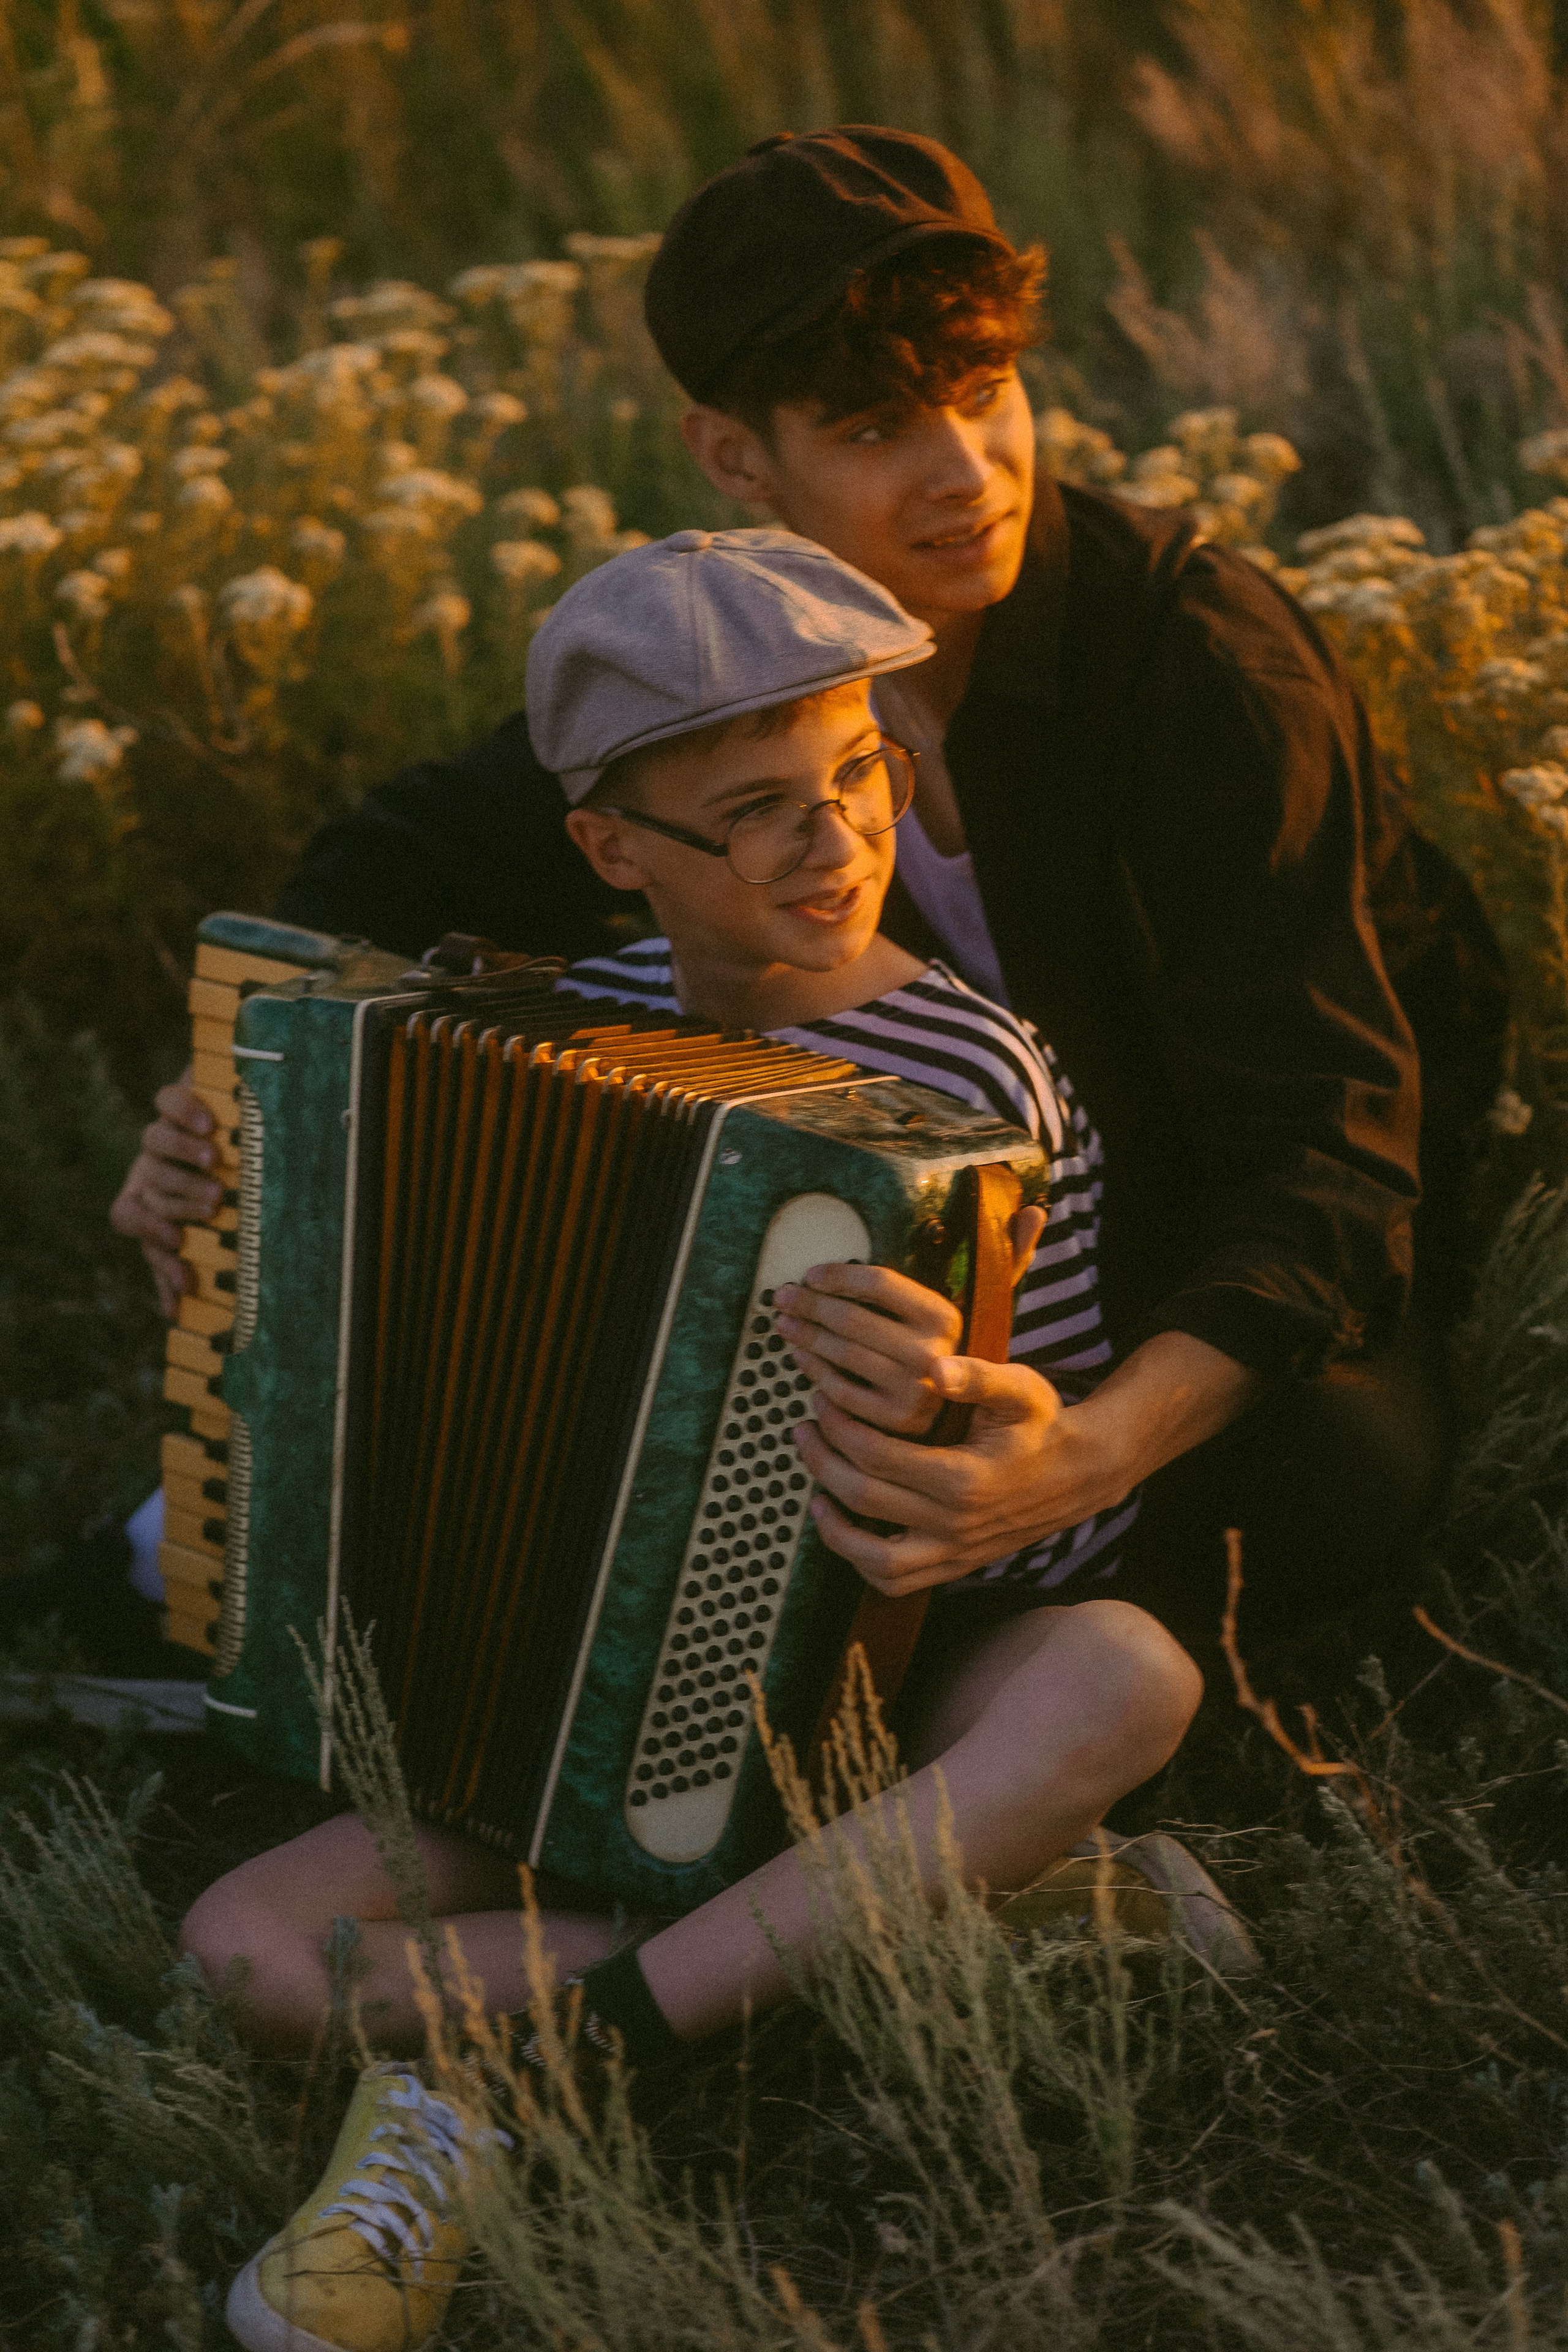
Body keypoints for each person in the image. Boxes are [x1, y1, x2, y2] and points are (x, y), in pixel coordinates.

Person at [113, 124, 1507, 1652]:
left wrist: (1079, 1458)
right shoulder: (715, 660)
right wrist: (219, 1099)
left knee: (1331, 1476)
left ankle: (980, 1692)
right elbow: (390, 866)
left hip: (1182, 1256)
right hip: (874, 1278)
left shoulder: (1199, 664)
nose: (962, 476)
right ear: (734, 457)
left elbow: (1330, 1161)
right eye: (868, 433)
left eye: (982, 399)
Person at [194, 529, 1235, 2352]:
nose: (837, 843)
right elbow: (320, 1342)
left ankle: (541, 2068)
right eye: (754, 811)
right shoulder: (532, 1035)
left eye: (861, 774)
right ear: (613, 849)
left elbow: (1042, 1469)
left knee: (1125, 1679)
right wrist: (202, 1210)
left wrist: (972, 1431)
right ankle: (952, 1908)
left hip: (897, 1680)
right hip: (553, 1709)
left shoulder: (982, 1075)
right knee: (249, 1951)